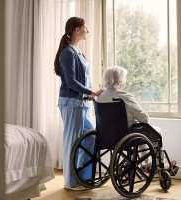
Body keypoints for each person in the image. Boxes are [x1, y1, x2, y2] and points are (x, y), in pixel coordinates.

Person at [96, 66, 176, 171]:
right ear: (119, 80)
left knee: (140, 131)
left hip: (105, 137)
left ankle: (147, 164)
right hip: (126, 137)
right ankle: (157, 164)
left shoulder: (100, 97)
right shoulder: (125, 96)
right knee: (154, 130)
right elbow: (144, 118)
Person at [54, 17, 102, 190]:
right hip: (71, 103)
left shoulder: (77, 52)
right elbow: (71, 81)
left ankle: (82, 177)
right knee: (72, 142)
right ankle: (71, 182)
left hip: (79, 102)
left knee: (91, 137)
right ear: (77, 30)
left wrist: (87, 95)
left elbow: (81, 79)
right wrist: (91, 92)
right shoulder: (67, 53)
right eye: (85, 28)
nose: (87, 30)